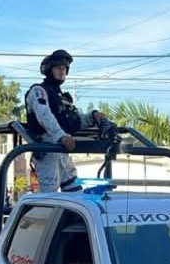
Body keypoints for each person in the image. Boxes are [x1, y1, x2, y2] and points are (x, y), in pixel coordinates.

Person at [24, 49, 109, 193]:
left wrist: (93, 116)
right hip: (48, 149)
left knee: (74, 191)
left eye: (64, 68)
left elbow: (74, 120)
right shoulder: (38, 90)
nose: (61, 71)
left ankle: (73, 216)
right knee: (49, 196)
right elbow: (44, 115)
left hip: (62, 150)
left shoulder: (63, 98)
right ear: (49, 69)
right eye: (58, 68)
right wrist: (61, 136)